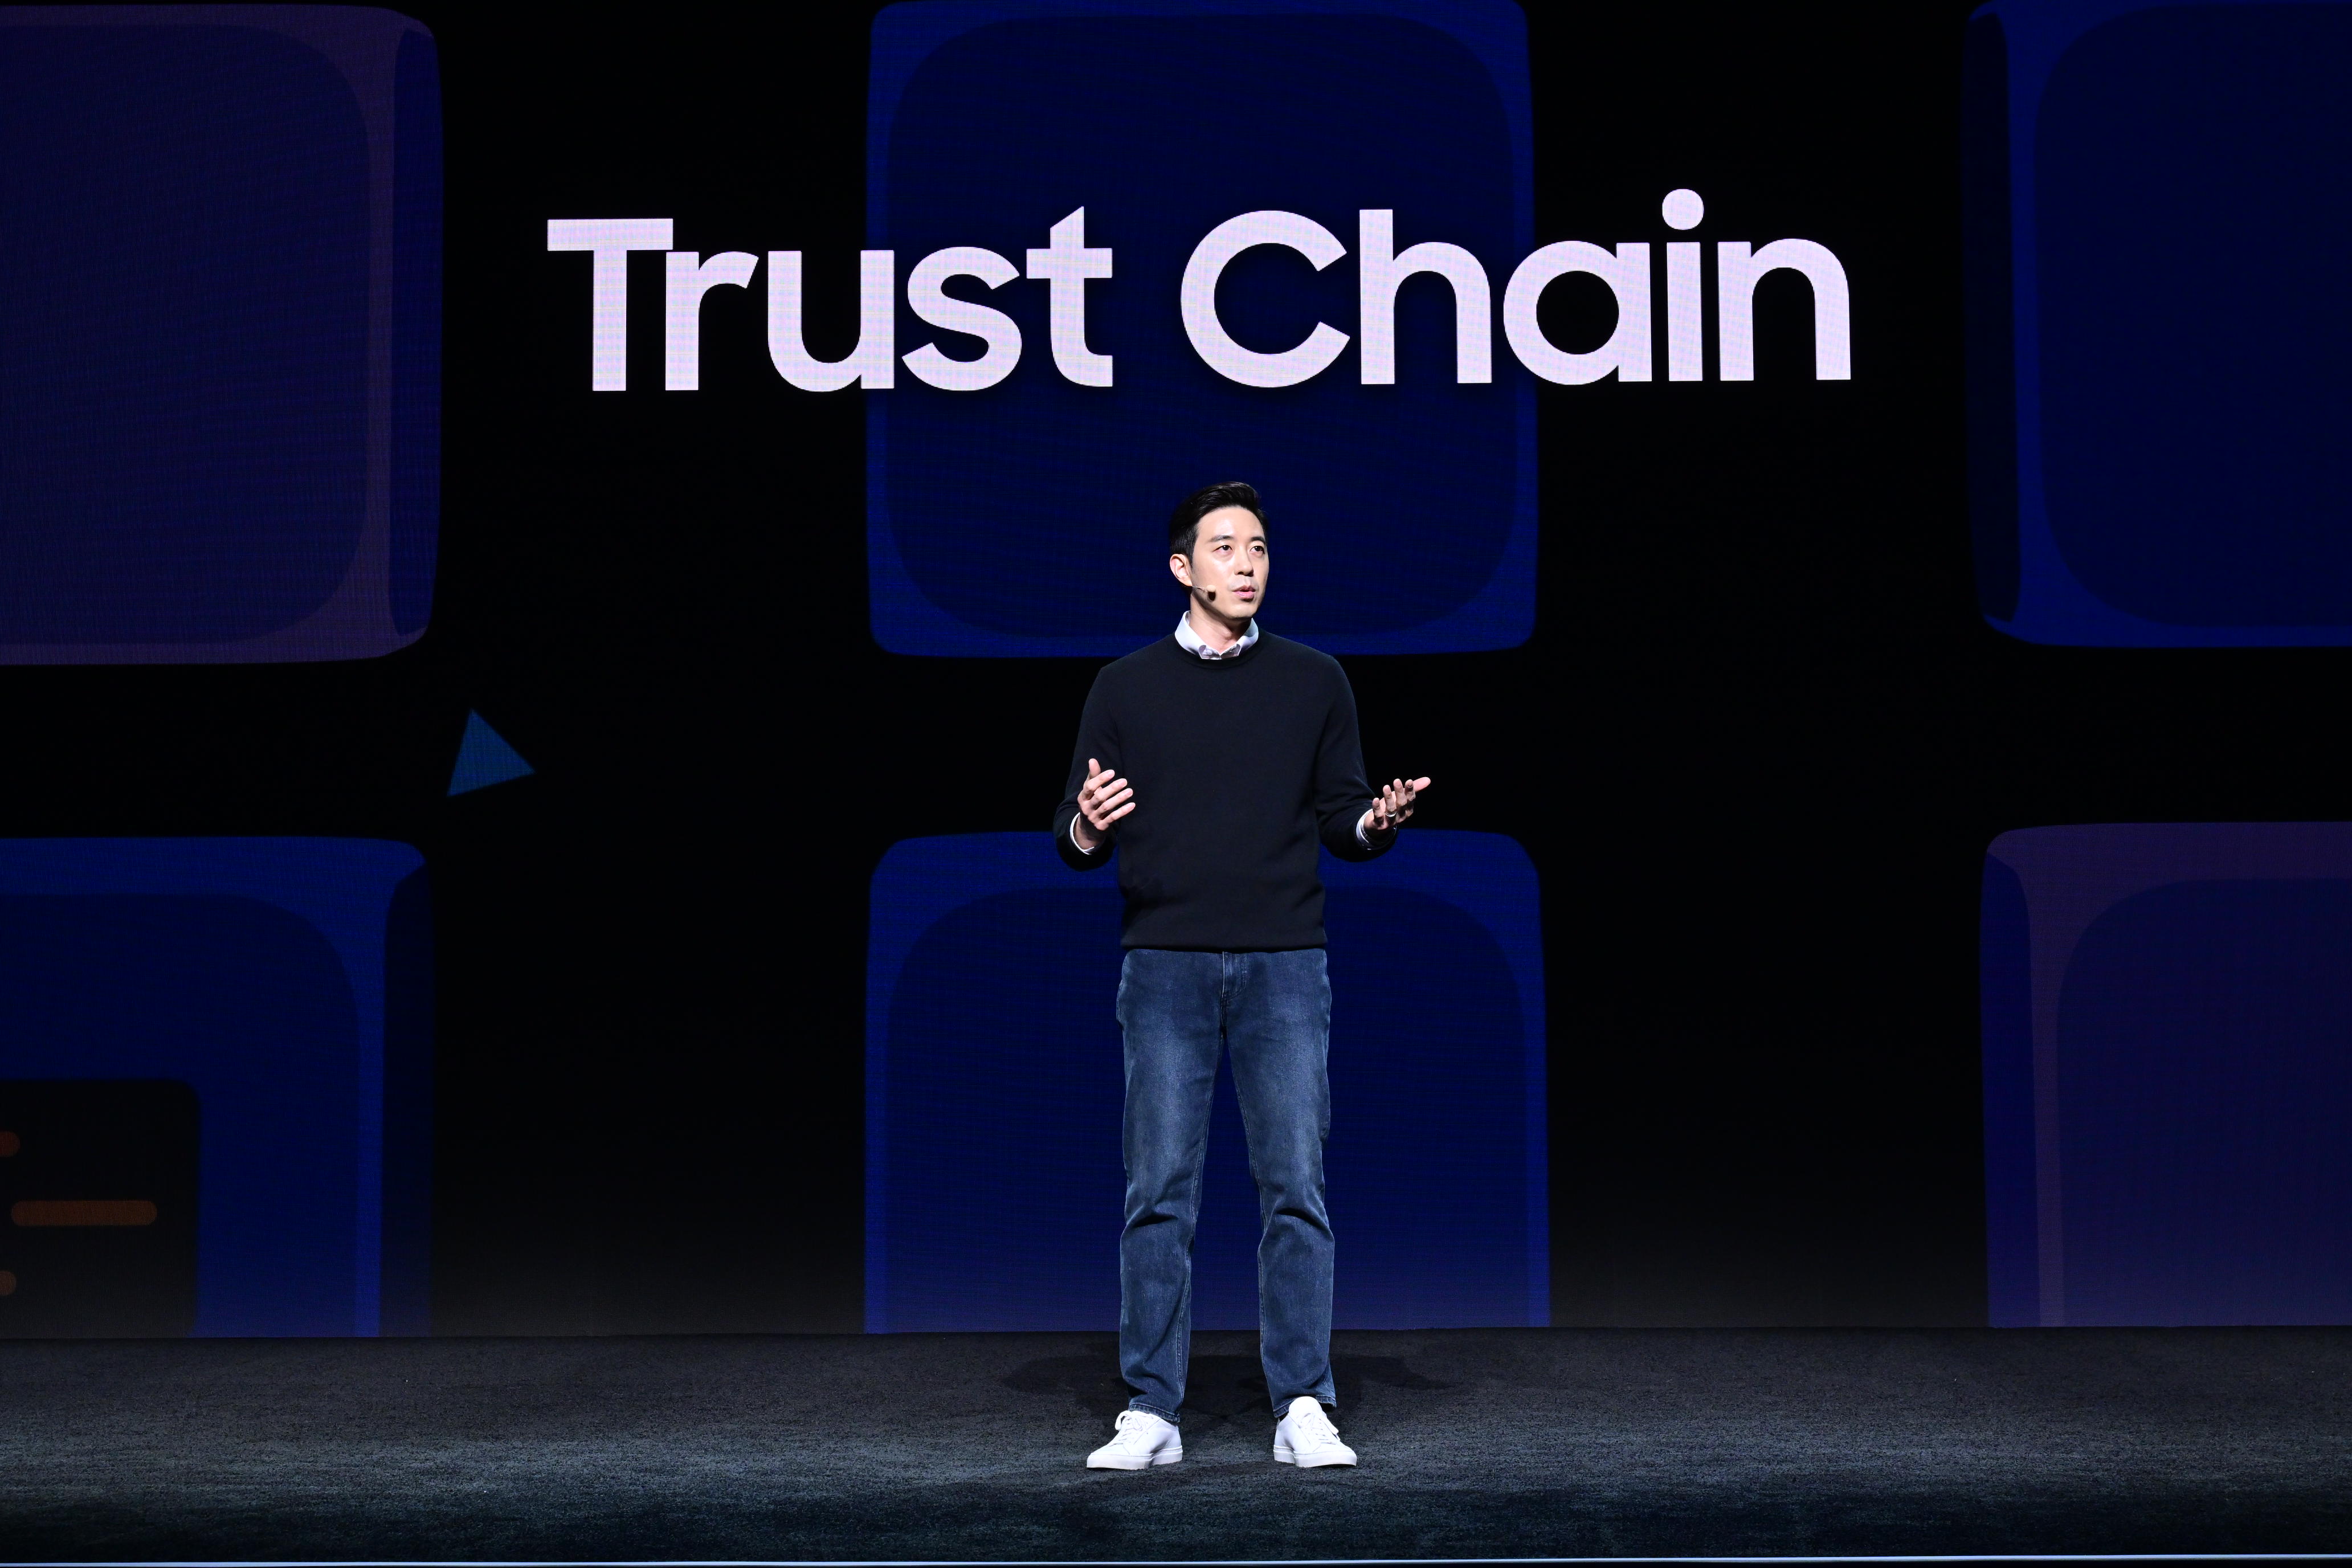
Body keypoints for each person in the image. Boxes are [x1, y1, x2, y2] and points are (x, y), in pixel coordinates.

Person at [1052, 480, 1428, 1471]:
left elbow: (1343, 817)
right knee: (1158, 1191)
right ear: (1184, 567)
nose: (1247, 563)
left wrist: (1376, 822)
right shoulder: (1124, 686)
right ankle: (1152, 1409)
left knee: (1295, 1186)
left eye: (1258, 547)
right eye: (1225, 547)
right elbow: (1074, 830)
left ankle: (1303, 1402)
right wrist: (1088, 823)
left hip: (1284, 963)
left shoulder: (1315, 680)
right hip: (1165, 965)